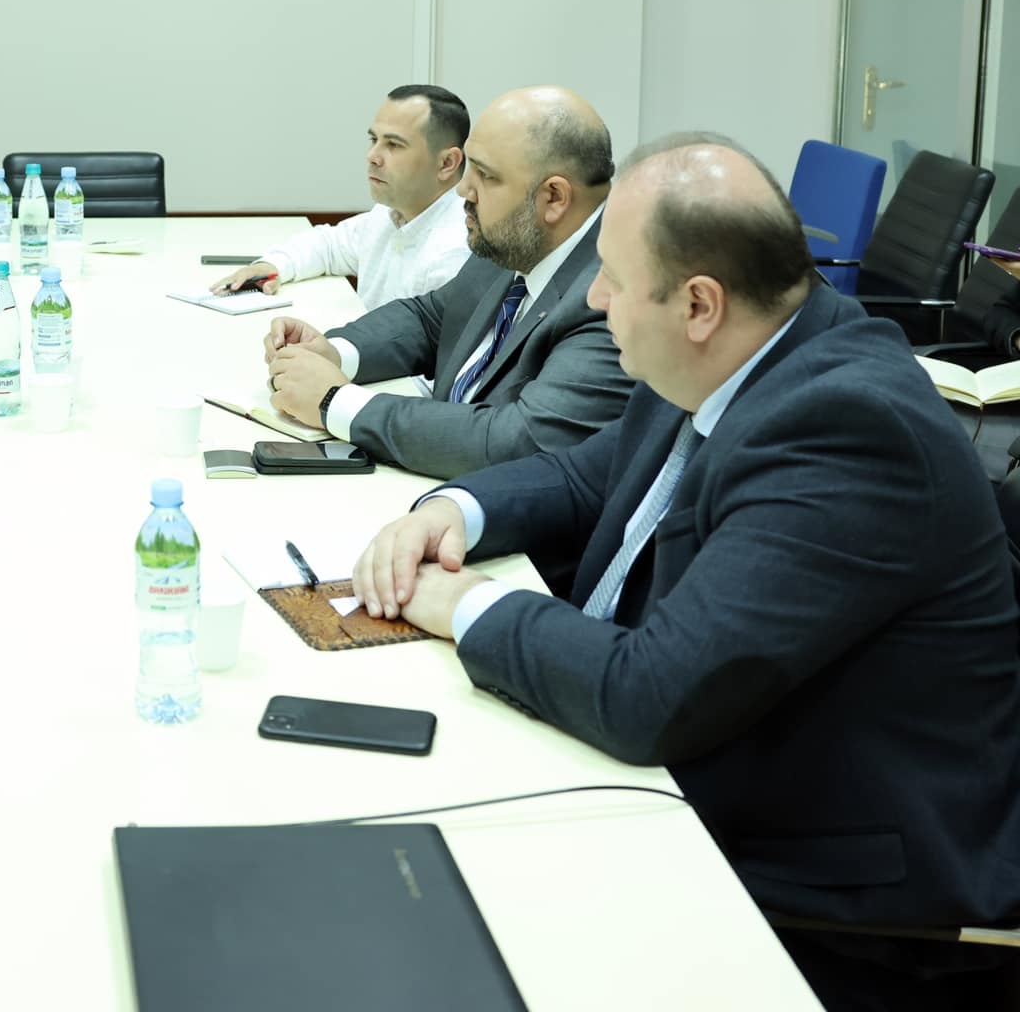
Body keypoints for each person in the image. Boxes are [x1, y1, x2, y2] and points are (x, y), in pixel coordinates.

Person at [350, 135, 1020, 1011]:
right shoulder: (740, 349)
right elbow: (587, 477)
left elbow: (648, 694)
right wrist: (452, 511)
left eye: (612, 279)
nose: (594, 299)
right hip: (676, 775)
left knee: (416, 946)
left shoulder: (848, 428)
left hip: (824, 901)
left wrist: (464, 603)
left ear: (699, 303)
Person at [264, 85, 630, 478]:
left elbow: (516, 441)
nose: (462, 190)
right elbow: (432, 318)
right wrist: (335, 353)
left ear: (554, 197)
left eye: (485, 175)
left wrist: (335, 402)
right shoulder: (519, 238)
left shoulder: (612, 297)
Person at [209, 84, 471, 308]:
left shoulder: (455, 255)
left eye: (394, 145)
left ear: (446, 163)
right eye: (374, 140)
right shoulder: (390, 213)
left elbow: (425, 349)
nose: (372, 156)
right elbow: (330, 246)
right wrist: (270, 266)